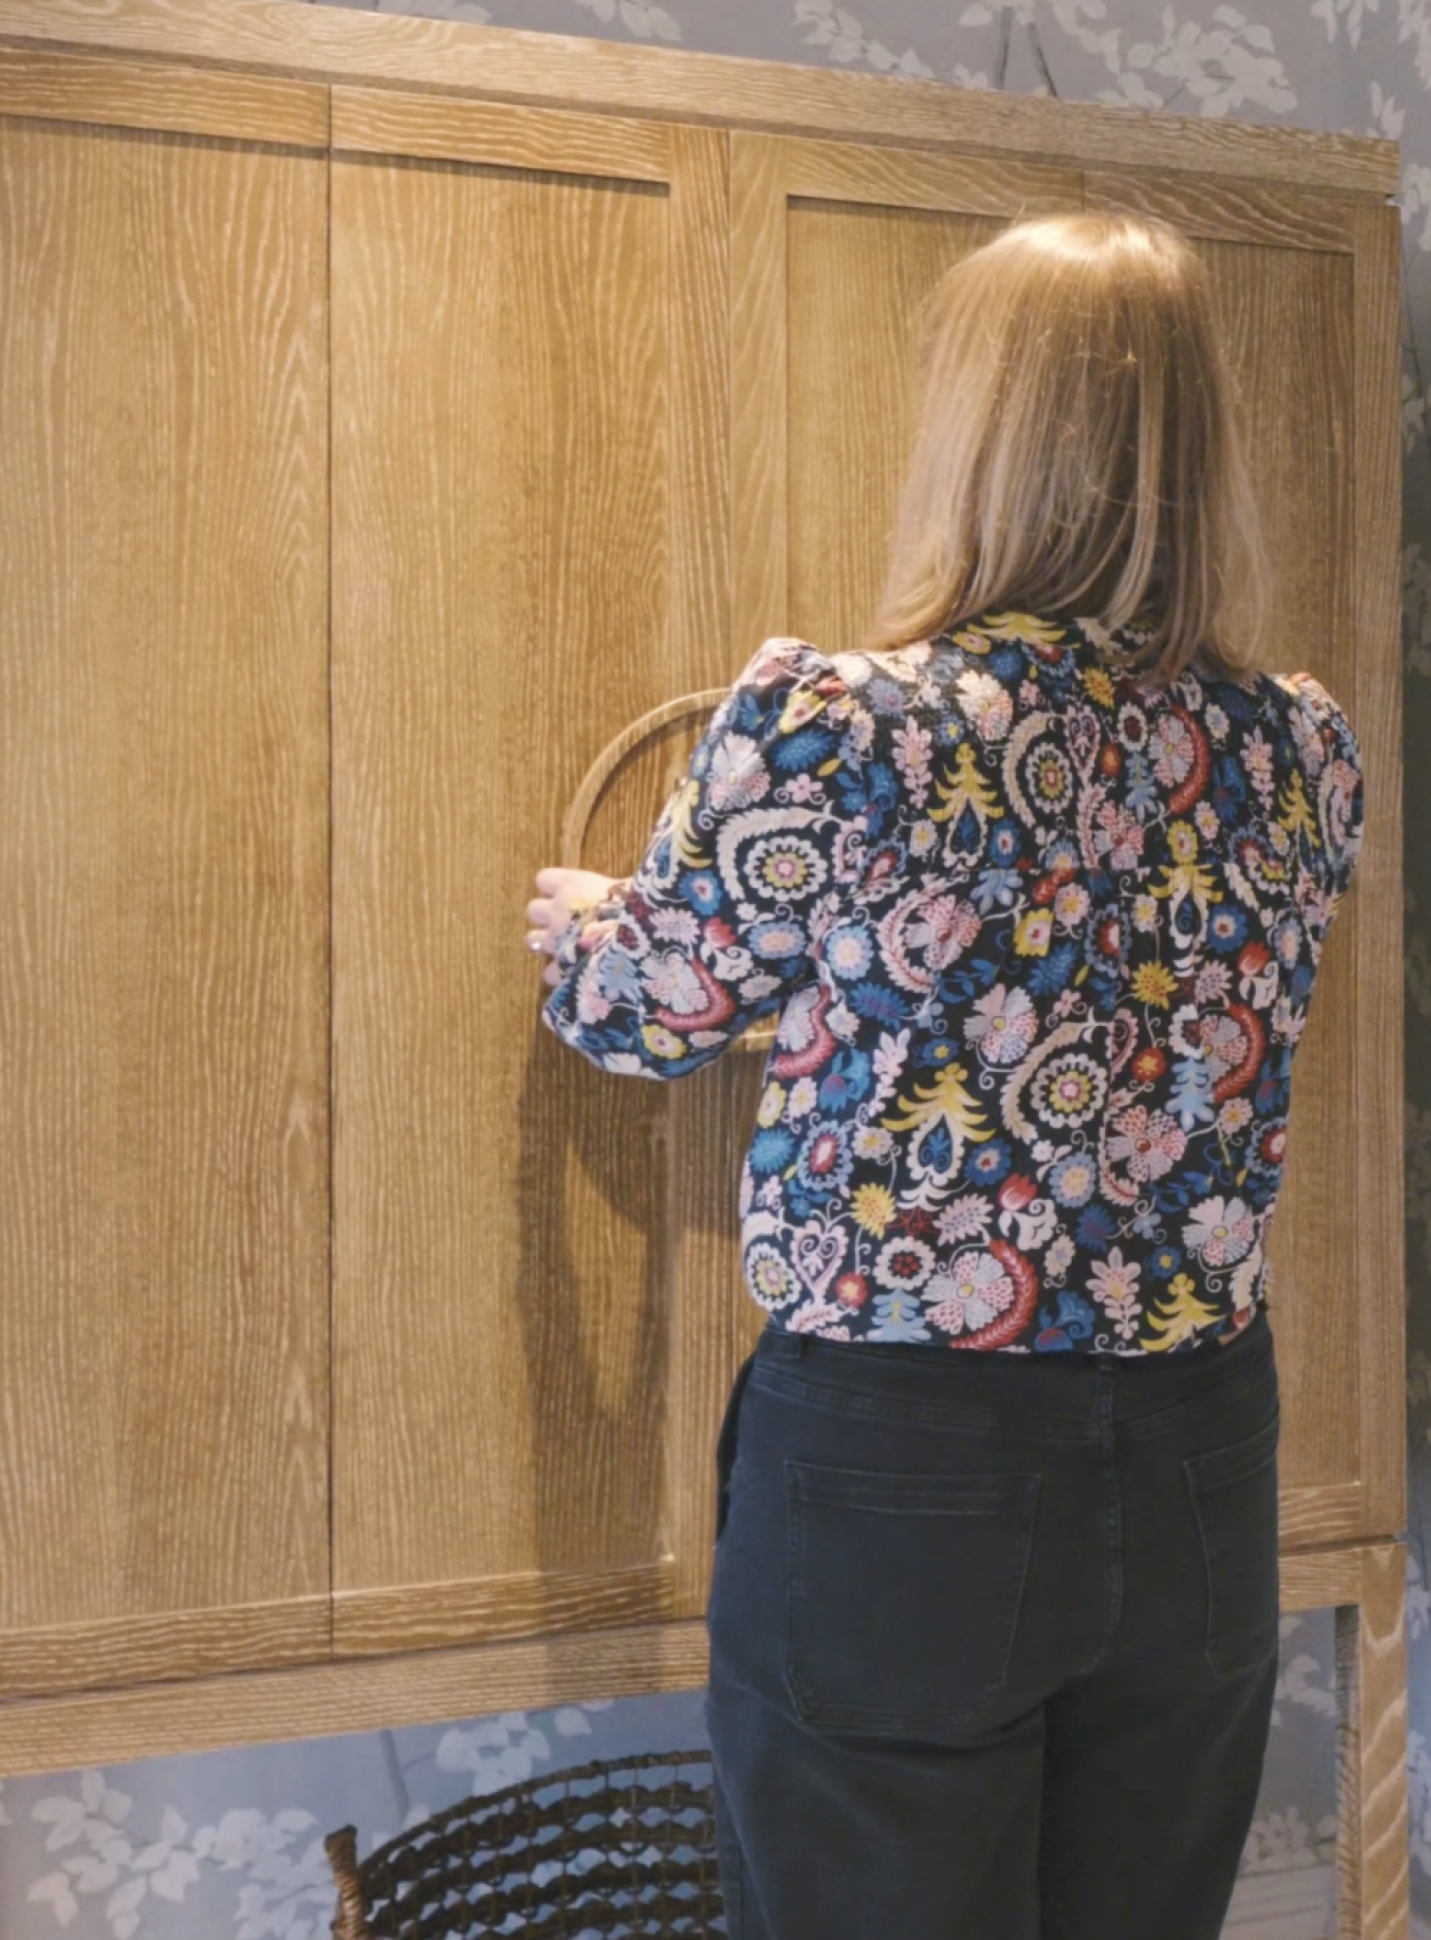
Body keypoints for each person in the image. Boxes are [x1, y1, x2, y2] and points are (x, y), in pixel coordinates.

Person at [522, 212, 1367, 1940]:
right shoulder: (1297, 749)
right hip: (1201, 1446)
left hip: (909, 1460)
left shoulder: (848, 722)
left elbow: (642, 1013)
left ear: (978, 435)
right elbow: (1106, 983)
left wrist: (598, 921)